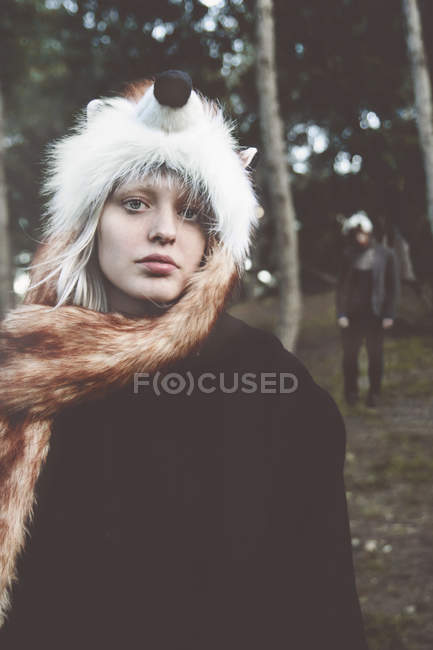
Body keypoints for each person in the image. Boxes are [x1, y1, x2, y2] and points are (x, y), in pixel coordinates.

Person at [0, 70, 368, 649]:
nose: (165, 231)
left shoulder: (273, 387)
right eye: (136, 203)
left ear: (214, 239)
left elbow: (321, 608)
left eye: (193, 211)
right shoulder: (27, 371)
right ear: (91, 222)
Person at [337, 213, 399, 407]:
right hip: (352, 316)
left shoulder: (386, 254)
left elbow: (393, 287)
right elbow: (341, 288)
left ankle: (374, 393)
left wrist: (389, 314)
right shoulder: (348, 255)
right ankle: (351, 393)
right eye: (356, 235)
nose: (360, 238)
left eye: (362, 234)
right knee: (349, 358)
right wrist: (341, 313)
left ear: (369, 233)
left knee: (375, 356)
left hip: (375, 315)